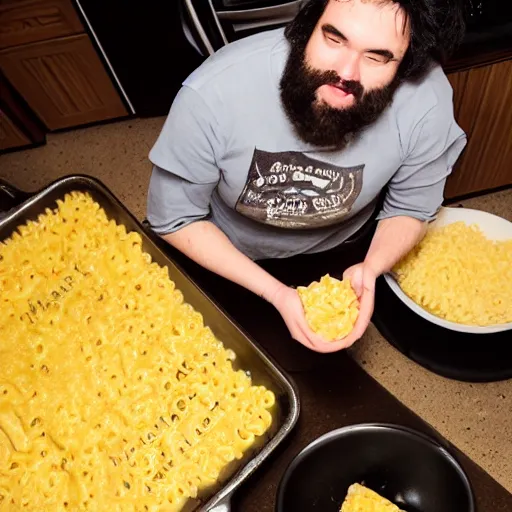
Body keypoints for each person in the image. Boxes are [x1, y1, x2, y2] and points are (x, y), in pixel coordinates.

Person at [146, 0, 467, 354]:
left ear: (406, 65)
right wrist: (275, 293)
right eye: (334, 39)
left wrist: (371, 269)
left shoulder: (427, 102)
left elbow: (410, 208)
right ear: (306, 27)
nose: (346, 73)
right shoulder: (212, 93)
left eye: (377, 57)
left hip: (343, 253)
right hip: (223, 255)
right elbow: (175, 218)